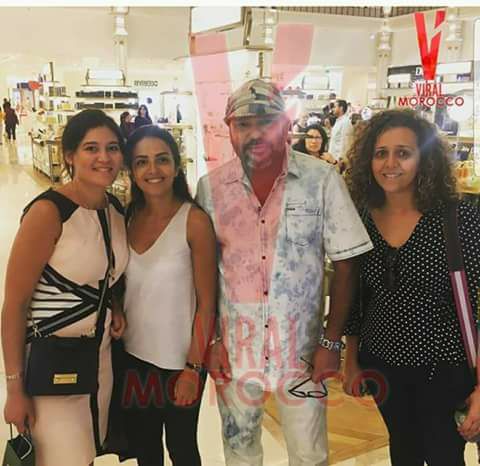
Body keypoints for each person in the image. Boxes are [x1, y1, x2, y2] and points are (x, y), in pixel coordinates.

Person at [196, 79, 373, 466]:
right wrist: (212, 341)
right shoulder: (211, 189)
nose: (255, 133)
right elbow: (205, 273)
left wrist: (331, 342)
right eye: (243, 124)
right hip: (236, 350)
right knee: (240, 451)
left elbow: (347, 263)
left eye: (267, 122)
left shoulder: (320, 180)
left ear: (286, 126)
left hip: (303, 352)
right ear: (228, 129)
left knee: (309, 453)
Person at [343, 109, 480, 466]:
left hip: (444, 366)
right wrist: (351, 360)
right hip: (382, 365)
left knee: (444, 455)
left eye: (403, 153)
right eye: (381, 153)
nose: (390, 163)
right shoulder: (360, 218)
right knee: (403, 450)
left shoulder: (458, 218)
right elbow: (356, 297)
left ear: (425, 158)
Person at [1, 109, 129, 466]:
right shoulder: (48, 212)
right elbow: (14, 304)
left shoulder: (115, 209)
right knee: (61, 456)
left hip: (98, 362)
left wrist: (115, 304)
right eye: (91, 148)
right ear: (69, 155)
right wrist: (14, 388)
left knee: (85, 453)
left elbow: (108, 272)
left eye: (113, 147)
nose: (104, 157)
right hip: (51, 365)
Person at [120, 125, 216, 465]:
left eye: (162, 159)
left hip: (180, 362)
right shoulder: (128, 216)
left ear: (176, 166)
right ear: (132, 171)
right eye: (141, 162)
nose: (153, 169)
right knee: (145, 448)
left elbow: (207, 303)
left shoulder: (194, 221)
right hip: (133, 356)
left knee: (182, 448)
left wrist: (193, 367)